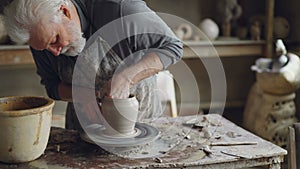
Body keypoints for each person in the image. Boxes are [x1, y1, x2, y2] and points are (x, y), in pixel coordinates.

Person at [3, 0, 183, 131]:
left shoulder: (120, 11)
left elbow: (172, 47)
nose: (54, 52)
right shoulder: (39, 41)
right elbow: (51, 86)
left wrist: (127, 77)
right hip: (83, 131)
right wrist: (82, 95)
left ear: (64, 11)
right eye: (44, 48)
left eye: (55, 40)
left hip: (143, 124)